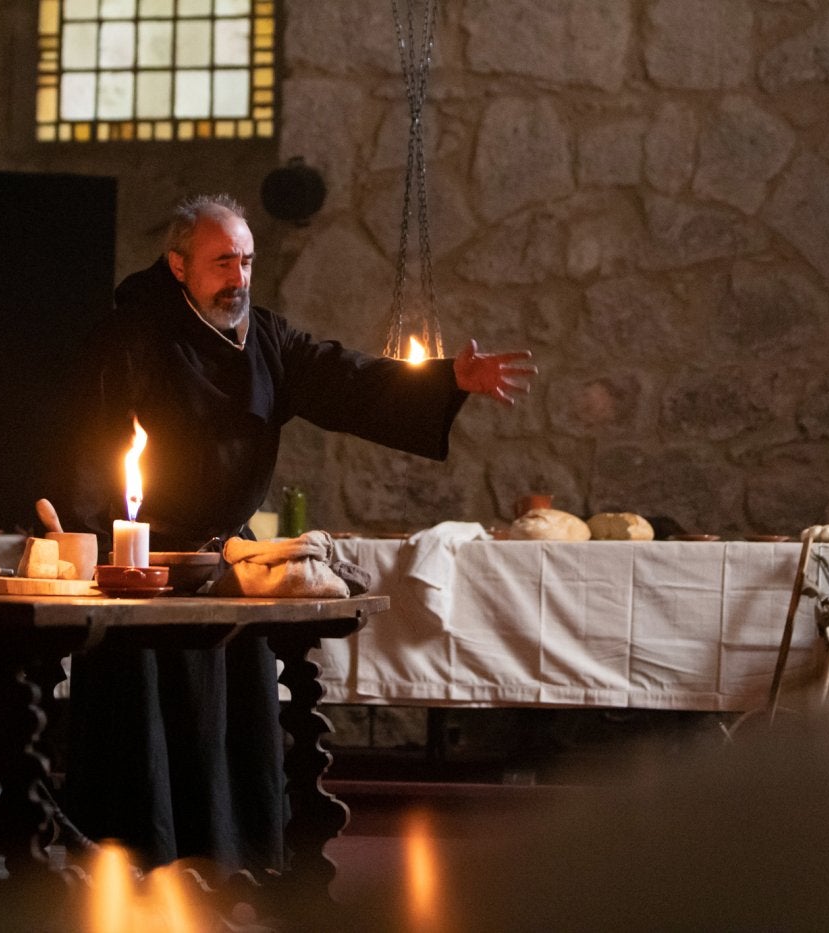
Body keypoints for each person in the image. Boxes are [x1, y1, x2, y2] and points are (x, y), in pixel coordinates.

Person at [60, 193, 536, 874]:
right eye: (223, 260)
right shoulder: (132, 336)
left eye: (247, 261)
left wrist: (445, 382)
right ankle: (136, 864)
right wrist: (85, 550)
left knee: (236, 724)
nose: (239, 276)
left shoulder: (269, 340)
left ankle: (231, 863)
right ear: (177, 265)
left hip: (229, 568)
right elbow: (88, 443)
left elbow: (347, 379)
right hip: (148, 574)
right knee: (150, 734)